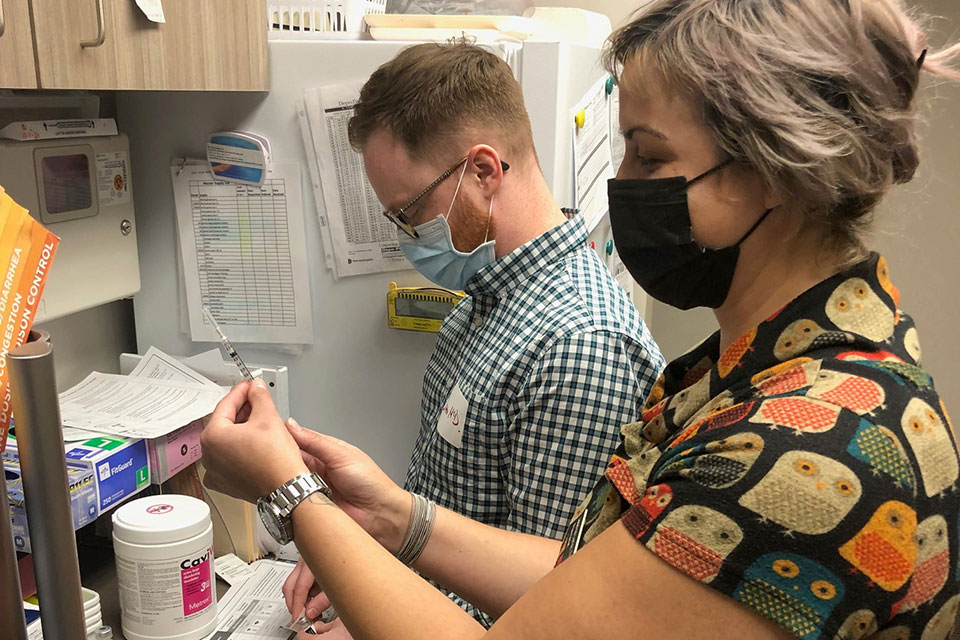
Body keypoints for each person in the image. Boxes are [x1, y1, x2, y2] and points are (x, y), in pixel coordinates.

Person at [201, 1, 960, 638]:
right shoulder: (744, 374)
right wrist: (390, 519)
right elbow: (590, 574)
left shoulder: (809, 452)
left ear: (773, 169)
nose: (619, 183)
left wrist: (292, 495)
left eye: (649, 155)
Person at [297, 42, 664, 624]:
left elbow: (548, 607)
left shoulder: (581, 344)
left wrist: (368, 605)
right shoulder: (486, 299)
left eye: (409, 210)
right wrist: (360, 552)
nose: (405, 235)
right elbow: (447, 507)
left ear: (484, 171)